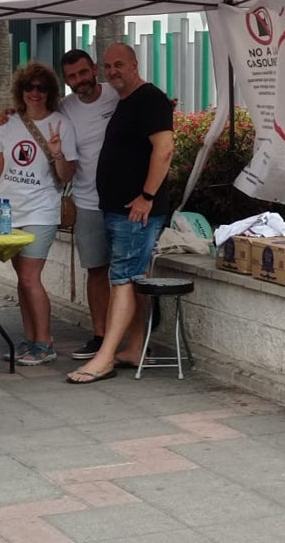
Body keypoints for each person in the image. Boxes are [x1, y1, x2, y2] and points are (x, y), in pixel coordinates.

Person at [67, 43, 173, 385]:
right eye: (108, 66)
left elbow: (165, 148)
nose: (113, 71)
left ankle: (105, 358)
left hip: (136, 211)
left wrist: (146, 196)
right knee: (131, 278)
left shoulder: (150, 98)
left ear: (134, 64)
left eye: (119, 65)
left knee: (122, 280)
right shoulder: (124, 100)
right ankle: (134, 347)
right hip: (114, 209)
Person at [0, 62, 76, 366]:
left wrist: (56, 150)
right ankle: (30, 339)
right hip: (9, 211)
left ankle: (44, 342)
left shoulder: (61, 124)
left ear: (50, 92)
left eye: (41, 87)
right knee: (22, 278)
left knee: (31, 277)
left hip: (40, 210)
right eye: (28, 87)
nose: (34, 93)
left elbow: (68, 174)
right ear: (20, 91)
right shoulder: (8, 123)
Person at [57, 49, 118, 360]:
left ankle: (131, 337)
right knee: (96, 271)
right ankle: (100, 335)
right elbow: (35, 117)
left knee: (128, 272)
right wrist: (10, 115)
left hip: (123, 202)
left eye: (83, 73)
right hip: (87, 201)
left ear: (95, 69)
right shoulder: (65, 108)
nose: (79, 81)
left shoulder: (117, 94)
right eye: (71, 77)